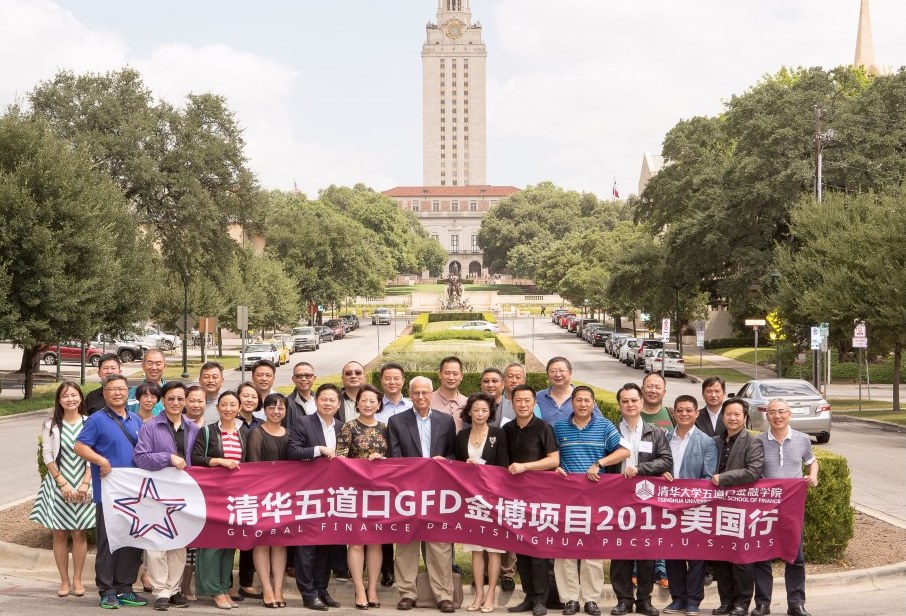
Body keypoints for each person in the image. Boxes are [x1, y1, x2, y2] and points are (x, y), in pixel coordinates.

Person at [554, 386, 631, 616]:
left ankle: (591, 599)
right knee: (565, 548)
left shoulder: (604, 426)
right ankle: (569, 599)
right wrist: (555, 467)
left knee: (593, 550)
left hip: (596, 498)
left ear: (593, 403)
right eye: (578, 400)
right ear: (572, 403)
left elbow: (624, 451)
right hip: (566, 497)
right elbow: (551, 455)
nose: (583, 404)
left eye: (587, 400)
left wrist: (599, 463)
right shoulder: (559, 427)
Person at [74, 374, 148, 609]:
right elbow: (80, 446)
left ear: (128, 392)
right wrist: (101, 461)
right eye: (112, 389)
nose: (117, 393)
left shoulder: (136, 420)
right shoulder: (96, 420)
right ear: (104, 393)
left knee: (131, 541)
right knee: (109, 543)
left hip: (134, 494)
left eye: (121, 389)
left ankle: (125, 587)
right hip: (109, 494)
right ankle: (107, 590)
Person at [387, 376, 457, 614]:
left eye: (425, 392)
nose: (420, 397)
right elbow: (395, 458)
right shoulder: (396, 421)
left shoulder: (446, 421)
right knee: (406, 543)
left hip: (437, 492)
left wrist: (445, 461)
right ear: (410, 394)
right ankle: (407, 593)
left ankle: (443, 595)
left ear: (431, 393)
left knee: (439, 545)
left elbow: (453, 453)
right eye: (416, 393)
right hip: (407, 492)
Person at [608, 382, 673, 616]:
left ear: (641, 402)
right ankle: (623, 599)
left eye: (634, 400)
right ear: (619, 405)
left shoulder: (655, 432)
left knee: (646, 552)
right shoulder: (611, 431)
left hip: (647, 499)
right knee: (620, 552)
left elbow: (666, 460)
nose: (630, 404)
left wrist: (641, 469)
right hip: (617, 500)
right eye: (625, 401)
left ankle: (644, 600)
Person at [133, 381, 198, 611]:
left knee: (178, 545)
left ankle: (174, 589)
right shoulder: (150, 426)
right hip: (156, 492)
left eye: (180, 399)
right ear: (163, 401)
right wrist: (168, 458)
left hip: (182, 494)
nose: (176, 403)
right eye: (171, 398)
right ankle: (160, 591)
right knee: (156, 544)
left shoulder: (193, 427)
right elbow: (141, 458)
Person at [752, 399, 819, 616]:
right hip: (765, 507)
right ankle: (763, 603)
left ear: (789, 414)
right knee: (762, 555)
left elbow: (811, 461)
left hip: (792, 507)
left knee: (795, 556)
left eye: (781, 412)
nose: (777, 416)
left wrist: (813, 476)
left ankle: (796, 603)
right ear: (767, 416)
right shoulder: (758, 441)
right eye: (772, 412)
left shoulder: (802, 439)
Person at [30, 381, 95, 598]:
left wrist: (85, 482)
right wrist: (61, 482)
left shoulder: (89, 422)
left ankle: (77, 580)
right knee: (59, 532)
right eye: (65, 396)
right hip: (59, 482)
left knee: (79, 532)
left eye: (74, 395)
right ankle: (64, 581)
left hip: (83, 482)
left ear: (80, 398)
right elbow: (47, 455)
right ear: (59, 400)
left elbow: (93, 454)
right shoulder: (51, 424)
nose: (70, 399)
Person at [286, 384, 346, 611]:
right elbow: (292, 451)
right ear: (316, 401)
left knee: (326, 545)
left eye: (332, 400)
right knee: (307, 546)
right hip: (307, 495)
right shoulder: (303, 423)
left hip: (332, 496)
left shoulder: (342, 427)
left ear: (338, 404)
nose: (328, 403)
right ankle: (308, 593)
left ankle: (322, 589)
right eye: (324, 399)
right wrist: (318, 450)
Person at [503, 385, 560, 616]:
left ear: (534, 403)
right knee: (521, 550)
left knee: (539, 551)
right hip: (515, 499)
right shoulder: (506, 429)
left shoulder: (543, 428)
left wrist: (526, 466)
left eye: (527, 400)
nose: (523, 404)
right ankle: (528, 596)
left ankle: (540, 599)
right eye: (519, 400)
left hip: (540, 498)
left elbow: (554, 460)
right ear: (512, 403)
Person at [191, 390, 249, 610]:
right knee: (212, 544)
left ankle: (224, 587)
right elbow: (196, 458)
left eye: (233, 405)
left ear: (239, 408)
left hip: (236, 497)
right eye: (224, 404)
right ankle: (214, 590)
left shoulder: (245, 433)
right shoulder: (207, 431)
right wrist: (218, 461)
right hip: (212, 496)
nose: (228, 409)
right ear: (217, 408)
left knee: (229, 544)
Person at [661, 395, 718, 616]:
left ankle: (693, 600)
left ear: (696, 413)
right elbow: (657, 465)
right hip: (667, 506)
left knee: (696, 555)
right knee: (672, 552)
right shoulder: (664, 437)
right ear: (673, 413)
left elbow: (708, 476)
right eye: (680, 410)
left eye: (688, 410)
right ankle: (678, 599)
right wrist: (660, 473)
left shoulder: (706, 442)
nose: (684, 414)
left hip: (696, 507)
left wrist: (690, 498)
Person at [454, 392, 510, 613]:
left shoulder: (498, 434)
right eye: (476, 410)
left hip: (493, 498)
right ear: (469, 412)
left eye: (484, 410)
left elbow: (503, 466)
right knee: (476, 549)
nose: (480, 414)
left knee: (494, 549)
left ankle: (491, 594)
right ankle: (478, 593)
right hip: (471, 499)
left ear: (490, 413)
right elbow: (456, 466)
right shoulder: (461, 435)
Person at [336, 384, 389, 610]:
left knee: (376, 542)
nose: (368, 404)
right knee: (357, 542)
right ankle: (359, 589)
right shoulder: (348, 427)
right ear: (357, 403)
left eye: (372, 401)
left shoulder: (386, 428)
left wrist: (382, 462)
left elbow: (395, 459)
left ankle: (372, 588)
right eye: (364, 400)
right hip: (354, 492)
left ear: (379, 404)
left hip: (380, 493)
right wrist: (364, 464)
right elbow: (339, 460)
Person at [711, 399, 764, 616]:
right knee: (720, 556)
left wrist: (723, 478)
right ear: (722, 416)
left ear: (745, 417)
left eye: (737, 414)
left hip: (741, 508)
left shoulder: (753, 442)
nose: (732, 418)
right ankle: (726, 602)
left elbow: (753, 472)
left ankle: (742, 603)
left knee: (741, 558)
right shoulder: (714, 441)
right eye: (728, 414)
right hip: (715, 507)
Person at [248, 393, 291, 608]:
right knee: (263, 543)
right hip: (262, 496)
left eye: (280, 407)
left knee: (280, 543)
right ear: (264, 410)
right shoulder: (257, 432)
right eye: (271, 407)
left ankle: (278, 589)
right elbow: (254, 466)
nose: (276, 411)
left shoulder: (290, 434)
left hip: (286, 497)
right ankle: (266, 588)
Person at [375, 361, 411, 587]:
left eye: (396, 378)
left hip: (410, 471)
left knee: (409, 521)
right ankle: (387, 569)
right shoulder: (374, 406)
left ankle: (407, 569)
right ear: (381, 381)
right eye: (387, 378)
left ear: (403, 381)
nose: (392, 382)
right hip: (382, 472)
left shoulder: (412, 405)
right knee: (385, 521)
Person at [695, 377, 726, 587]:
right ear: (703, 393)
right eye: (709, 391)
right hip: (702, 477)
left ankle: (720, 567)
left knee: (722, 525)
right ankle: (706, 568)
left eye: (717, 391)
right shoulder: (697, 415)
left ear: (723, 393)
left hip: (725, 477)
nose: (713, 395)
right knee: (703, 524)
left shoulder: (731, 414)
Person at [536, 357, 602, 425]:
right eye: (553, 371)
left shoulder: (583, 396)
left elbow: (600, 423)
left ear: (570, 373)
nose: (558, 374)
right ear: (548, 374)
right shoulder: (538, 397)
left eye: (561, 370)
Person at [432, 356, 468, 431]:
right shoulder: (428, 400)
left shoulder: (468, 403)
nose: (451, 378)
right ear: (440, 374)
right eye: (447, 373)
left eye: (455, 374)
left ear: (461, 376)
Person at [128, 348, 167, 416]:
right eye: (150, 363)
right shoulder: (131, 394)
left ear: (164, 367)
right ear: (143, 366)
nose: (154, 367)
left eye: (158, 364)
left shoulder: (172, 393)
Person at [286, 361, 318, 428]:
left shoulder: (320, 401)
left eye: (308, 376)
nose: (304, 379)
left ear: (314, 378)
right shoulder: (287, 403)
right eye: (299, 376)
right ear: (293, 379)